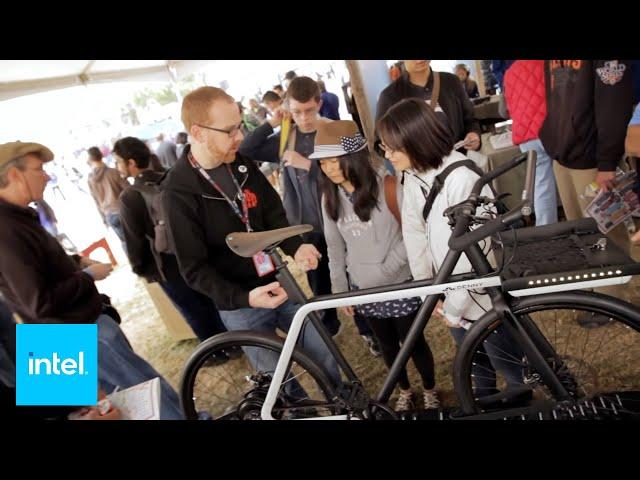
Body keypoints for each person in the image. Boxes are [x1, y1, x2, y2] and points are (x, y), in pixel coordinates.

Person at [160, 86, 340, 384]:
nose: (240, 137)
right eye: (230, 131)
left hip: (277, 280)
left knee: (323, 354)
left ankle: (345, 405)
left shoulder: (240, 162)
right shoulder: (177, 192)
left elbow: (272, 213)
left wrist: (295, 247)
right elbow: (194, 270)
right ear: (198, 132)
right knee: (277, 381)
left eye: (240, 127)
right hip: (241, 304)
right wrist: (244, 297)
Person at [0, 141, 184, 419]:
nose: (47, 176)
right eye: (38, 170)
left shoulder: (17, 218)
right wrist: (87, 276)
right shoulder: (6, 228)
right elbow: (38, 301)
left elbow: (34, 270)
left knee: (129, 398)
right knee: (143, 399)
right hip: (72, 333)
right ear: (14, 175)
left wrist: (75, 262)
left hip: (60, 335)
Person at [377, 99, 526, 400]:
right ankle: (486, 400)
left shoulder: (462, 180)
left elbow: (475, 253)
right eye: (384, 147)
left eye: (393, 148)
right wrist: (428, 291)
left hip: (480, 295)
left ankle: (522, 397)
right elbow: (414, 231)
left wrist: (454, 307)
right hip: (451, 292)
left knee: (504, 358)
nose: (388, 155)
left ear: (417, 141)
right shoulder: (413, 173)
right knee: (472, 355)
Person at [312, 120, 438, 411]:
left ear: (352, 158)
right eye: (323, 163)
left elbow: (412, 234)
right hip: (364, 290)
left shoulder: (388, 185)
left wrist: (386, 270)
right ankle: (404, 390)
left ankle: (430, 389)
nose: (328, 169)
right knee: (388, 347)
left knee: (413, 342)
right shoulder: (328, 197)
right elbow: (334, 247)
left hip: (400, 285)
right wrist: (341, 290)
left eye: (334, 161)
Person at [239, 76, 341, 336]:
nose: (304, 118)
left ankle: (366, 327)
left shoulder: (333, 130)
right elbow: (247, 149)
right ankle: (329, 324)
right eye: (296, 112)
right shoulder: (286, 135)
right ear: (287, 109)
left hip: (338, 216)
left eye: (309, 110)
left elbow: (352, 172)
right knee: (318, 280)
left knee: (349, 273)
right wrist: (273, 121)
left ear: (319, 102)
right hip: (305, 224)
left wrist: (307, 164)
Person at [114, 136, 232, 359]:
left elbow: (134, 240)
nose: (117, 166)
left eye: (119, 161)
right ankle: (233, 341)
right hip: (197, 251)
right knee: (210, 298)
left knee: (192, 310)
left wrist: (141, 269)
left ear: (131, 162)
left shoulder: (131, 196)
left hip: (165, 264)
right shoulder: (172, 178)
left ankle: (216, 353)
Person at [540, 60, 635, 325]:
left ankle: (613, 302)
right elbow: (555, 98)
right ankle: (596, 293)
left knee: (604, 232)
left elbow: (614, 107)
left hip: (592, 160)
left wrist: (606, 162)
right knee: (580, 233)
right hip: (563, 154)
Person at [375, 60, 482, 172]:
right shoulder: (389, 96)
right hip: (420, 176)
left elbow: (470, 119)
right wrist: (409, 158)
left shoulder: (451, 81)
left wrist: (474, 134)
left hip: (458, 167)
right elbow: (380, 144)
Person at [503, 60, 558, 226]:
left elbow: (508, 108)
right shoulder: (550, 64)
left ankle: (547, 230)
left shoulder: (510, 72)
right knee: (569, 179)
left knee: (542, 184)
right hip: (551, 130)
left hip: (525, 135)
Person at [86, 146, 130, 248]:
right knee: (137, 240)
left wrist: (104, 219)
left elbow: (96, 201)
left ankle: (135, 263)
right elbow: (128, 190)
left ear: (90, 160)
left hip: (109, 215)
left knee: (124, 243)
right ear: (101, 156)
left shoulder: (90, 179)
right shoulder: (113, 172)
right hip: (123, 211)